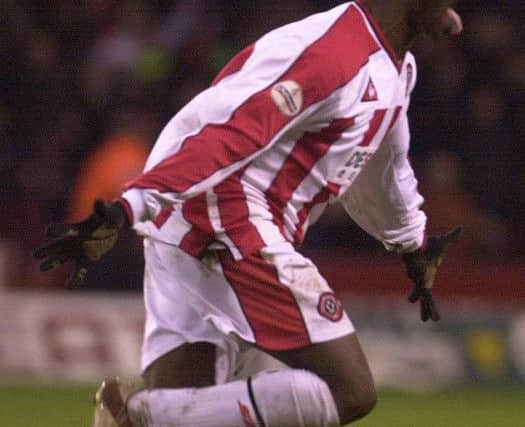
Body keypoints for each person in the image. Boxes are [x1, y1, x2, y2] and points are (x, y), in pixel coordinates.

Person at [34, 1, 464, 426]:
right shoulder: (334, 52)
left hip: (188, 220)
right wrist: (131, 205)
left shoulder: (394, 68)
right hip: (226, 218)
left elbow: (382, 168)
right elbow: (231, 130)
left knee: (192, 408)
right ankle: (138, 417)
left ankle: (146, 415)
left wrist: (413, 243)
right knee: (349, 390)